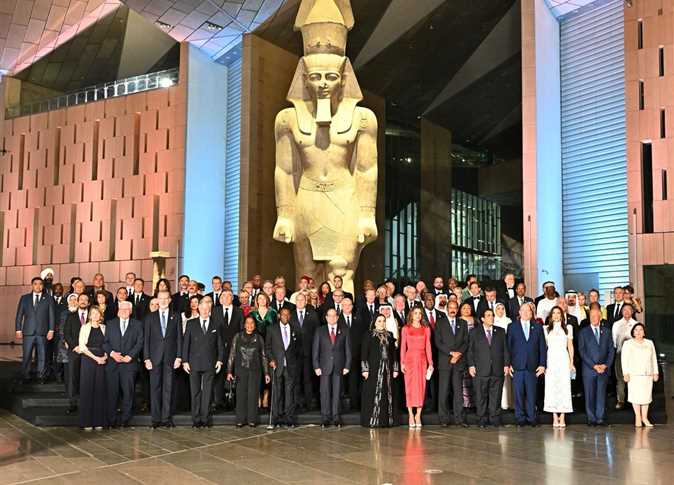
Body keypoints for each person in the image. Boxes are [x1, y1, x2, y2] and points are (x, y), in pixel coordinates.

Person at [182, 299, 224, 428]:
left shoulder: (216, 324)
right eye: (203, 309)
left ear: (210, 310)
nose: (205, 311)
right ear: (198, 309)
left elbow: (220, 344)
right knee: (195, 392)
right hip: (193, 362)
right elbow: (186, 343)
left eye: (207, 309)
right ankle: (196, 419)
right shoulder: (191, 323)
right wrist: (185, 361)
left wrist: (220, 360)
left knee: (207, 392)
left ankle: (205, 419)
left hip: (210, 362)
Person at [144, 290, 183, 428]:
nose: (163, 301)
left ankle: (166, 418)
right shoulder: (150, 317)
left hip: (170, 358)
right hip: (154, 358)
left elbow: (179, 338)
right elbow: (146, 339)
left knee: (168, 388)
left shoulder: (176, 316)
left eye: (166, 298)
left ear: (170, 300)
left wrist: (179, 357)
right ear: (157, 300)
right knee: (155, 388)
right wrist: (146, 358)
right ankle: (155, 419)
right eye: (161, 298)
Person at [103, 301, 143, 428]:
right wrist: (112, 353)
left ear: (130, 311)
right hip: (113, 364)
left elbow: (140, 342)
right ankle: (112, 419)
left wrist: (130, 356)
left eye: (126, 309)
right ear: (118, 311)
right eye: (121, 309)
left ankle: (125, 419)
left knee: (128, 393)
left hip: (129, 364)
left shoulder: (138, 324)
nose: (124, 311)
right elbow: (105, 342)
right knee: (112, 393)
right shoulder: (110, 324)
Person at [467, 309, 510, 428]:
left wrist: (506, 364)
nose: (491, 317)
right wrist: (471, 365)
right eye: (488, 315)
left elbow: (505, 349)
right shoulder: (474, 332)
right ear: (482, 319)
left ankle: (494, 418)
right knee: (480, 396)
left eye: (492, 315)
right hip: (480, 369)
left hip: (497, 369)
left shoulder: (500, 331)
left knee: (496, 395)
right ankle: (481, 419)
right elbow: (470, 350)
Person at [507, 303, 547, 426]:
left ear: (531, 313)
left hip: (532, 367)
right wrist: (508, 364)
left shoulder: (538, 327)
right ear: (519, 312)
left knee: (531, 394)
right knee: (518, 394)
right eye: (522, 310)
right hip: (517, 366)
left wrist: (542, 364)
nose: (525, 313)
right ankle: (520, 418)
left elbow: (542, 347)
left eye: (528, 310)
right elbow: (508, 347)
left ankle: (531, 417)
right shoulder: (512, 327)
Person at [228, 316, 270, 427]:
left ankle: (252, 419)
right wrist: (229, 371)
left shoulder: (259, 338)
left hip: (255, 371)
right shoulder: (237, 337)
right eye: (247, 323)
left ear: (255, 325)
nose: (250, 325)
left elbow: (264, 356)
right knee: (241, 395)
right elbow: (232, 354)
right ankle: (240, 419)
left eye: (252, 323)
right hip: (240, 370)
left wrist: (266, 373)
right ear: (244, 324)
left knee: (253, 395)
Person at [313, 308, 351, 428]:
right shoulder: (320, 330)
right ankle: (325, 417)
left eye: (334, 316)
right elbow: (315, 350)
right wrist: (316, 366)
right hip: (324, 367)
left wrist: (347, 365)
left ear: (337, 317)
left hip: (339, 366)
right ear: (326, 317)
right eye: (329, 316)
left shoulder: (344, 330)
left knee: (337, 392)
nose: (332, 318)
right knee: (324, 392)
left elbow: (348, 350)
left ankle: (336, 417)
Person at [578, 307, 615, 426]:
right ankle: (591, 419)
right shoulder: (583, 332)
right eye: (592, 316)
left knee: (601, 394)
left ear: (600, 317)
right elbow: (582, 351)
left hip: (603, 369)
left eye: (596, 316)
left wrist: (606, 365)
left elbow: (611, 350)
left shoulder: (607, 331)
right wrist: (594, 365)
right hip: (589, 369)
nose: (594, 318)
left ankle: (600, 418)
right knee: (589, 394)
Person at [434, 300, 469, 426]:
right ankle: (444, 419)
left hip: (459, 362)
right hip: (445, 361)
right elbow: (438, 342)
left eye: (455, 308)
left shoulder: (463, 323)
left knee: (458, 392)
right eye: (450, 307)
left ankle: (460, 419)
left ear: (457, 309)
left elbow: (466, 342)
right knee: (443, 391)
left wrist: (458, 354)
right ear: (447, 309)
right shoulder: (440, 323)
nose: (453, 310)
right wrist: (451, 353)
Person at [361, 314, 399, 427]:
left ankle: (385, 421)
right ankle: (373, 420)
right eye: (379, 321)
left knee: (386, 393)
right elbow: (364, 353)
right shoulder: (369, 335)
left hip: (387, 369)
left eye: (383, 321)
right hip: (373, 369)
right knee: (373, 392)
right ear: (374, 322)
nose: (382, 323)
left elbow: (393, 353)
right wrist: (365, 369)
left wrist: (395, 369)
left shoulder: (389, 335)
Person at [15, 277, 55, 383]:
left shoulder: (49, 298)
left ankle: (41, 376)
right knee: (27, 355)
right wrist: (18, 329)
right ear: (32, 285)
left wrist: (51, 330)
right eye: (35, 284)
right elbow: (19, 315)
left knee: (42, 356)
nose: (38, 286)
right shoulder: (24, 298)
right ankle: (25, 376)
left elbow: (52, 315)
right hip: (28, 332)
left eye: (40, 284)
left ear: (43, 286)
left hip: (43, 332)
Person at [266, 308, 302, 428]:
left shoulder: (295, 328)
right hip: (277, 365)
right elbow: (267, 347)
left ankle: (289, 419)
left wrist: (294, 361)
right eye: (283, 314)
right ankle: (276, 418)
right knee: (277, 393)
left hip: (290, 366)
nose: (285, 316)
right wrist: (271, 359)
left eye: (287, 314)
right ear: (279, 316)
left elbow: (298, 347)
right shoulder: (272, 329)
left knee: (289, 393)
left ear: (290, 316)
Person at [400, 307, 433, 428]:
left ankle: (418, 414)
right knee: (409, 387)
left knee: (421, 387)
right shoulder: (405, 328)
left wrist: (431, 363)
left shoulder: (426, 329)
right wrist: (402, 362)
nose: (418, 315)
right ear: (411, 315)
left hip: (422, 360)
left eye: (420, 313)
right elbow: (403, 346)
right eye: (415, 313)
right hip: (409, 360)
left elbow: (428, 346)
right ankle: (410, 414)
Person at [621, 323, 658, 427]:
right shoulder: (628, 343)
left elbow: (653, 358)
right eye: (636, 330)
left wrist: (655, 372)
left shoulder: (649, 343)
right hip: (634, 375)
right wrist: (625, 373)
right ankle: (638, 417)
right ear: (633, 332)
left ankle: (645, 418)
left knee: (646, 397)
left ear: (644, 332)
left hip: (647, 374)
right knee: (636, 397)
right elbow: (624, 359)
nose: (638, 332)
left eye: (640, 330)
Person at [212, 290, 244, 410]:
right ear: (220, 299)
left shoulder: (239, 311)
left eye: (229, 295)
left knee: (235, 375)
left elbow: (241, 330)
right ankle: (218, 402)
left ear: (232, 298)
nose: (226, 298)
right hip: (218, 350)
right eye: (223, 296)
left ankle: (234, 402)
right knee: (218, 376)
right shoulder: (214, 311)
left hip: (235, 349)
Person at [543, 306, 574, 427]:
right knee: (551, 387)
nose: (556, 315)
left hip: (563, 360)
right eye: (554, 313)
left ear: (561, 315)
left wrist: (571, 362)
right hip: (551, 360)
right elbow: (544, 347)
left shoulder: (568, 328)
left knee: (564, 387)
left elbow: (570, 346)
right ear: (551, 316)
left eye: (558, 313)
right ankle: (555, 416)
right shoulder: (546, 329)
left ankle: (563, 416)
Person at [78, 306, 107, 430]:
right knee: (88, 389)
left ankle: (99, 421)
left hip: (102, 360)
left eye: (97, 313)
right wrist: (96, 358)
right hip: (88, 359)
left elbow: (108, 344)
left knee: (99, 389)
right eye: (93, 313)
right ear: (90, 315)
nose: (95, 315)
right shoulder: (84, 327)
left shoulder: (104, 328)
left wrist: (104, 357)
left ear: (101, 315)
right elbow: (82, 347)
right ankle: (87, 422)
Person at [290, 292, 319, 411]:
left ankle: (309, 403)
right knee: (296, 379)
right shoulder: (291, 314)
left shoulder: (312, 314)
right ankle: (297, 403)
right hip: (295, 353)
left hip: (308, 352)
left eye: (302, 300)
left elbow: (317, 332)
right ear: (295, 302)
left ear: (306, 301)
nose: (300, 302)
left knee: (308, 379)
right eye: (298, 300)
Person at [340, 298, 366, 410]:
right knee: (341, 382)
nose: (347, 307)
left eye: (349, 305)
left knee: (354, 381)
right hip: (341, 356)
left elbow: (362, 338)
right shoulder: (336, 320)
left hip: (356, 355)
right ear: (341, 306)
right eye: (345, 305)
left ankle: (354, 405)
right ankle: (342, 405)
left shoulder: (359, 319)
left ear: (352, 306)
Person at [612, 303, 638, 410]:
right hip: (620, 354)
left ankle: (634, 400)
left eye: (629, 309)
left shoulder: (636, 324)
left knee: (633, 377)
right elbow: (614, 341)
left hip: (634, 355)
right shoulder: (616, 324)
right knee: (620, 378)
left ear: (632, 312)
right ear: (621, 312)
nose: (626, 312)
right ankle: (621, 400)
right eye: (624, 310)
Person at [493, 302, 513, 410]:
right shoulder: (492, 320)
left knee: (506, 378)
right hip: (495, 353)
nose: (500, 310)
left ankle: (507, 402)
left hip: (506, 351)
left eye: (502, 308)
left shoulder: (508, 321)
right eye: (498, 308)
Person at [458, 301, 476, 408]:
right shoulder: (458, 321)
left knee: (473, 376)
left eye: (468, 308)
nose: (466, 310)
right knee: (463, 378)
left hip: (474, 351)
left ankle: (474, 402)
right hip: (461, 352)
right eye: (464, 308)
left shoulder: (476, 320)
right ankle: (465, 403)